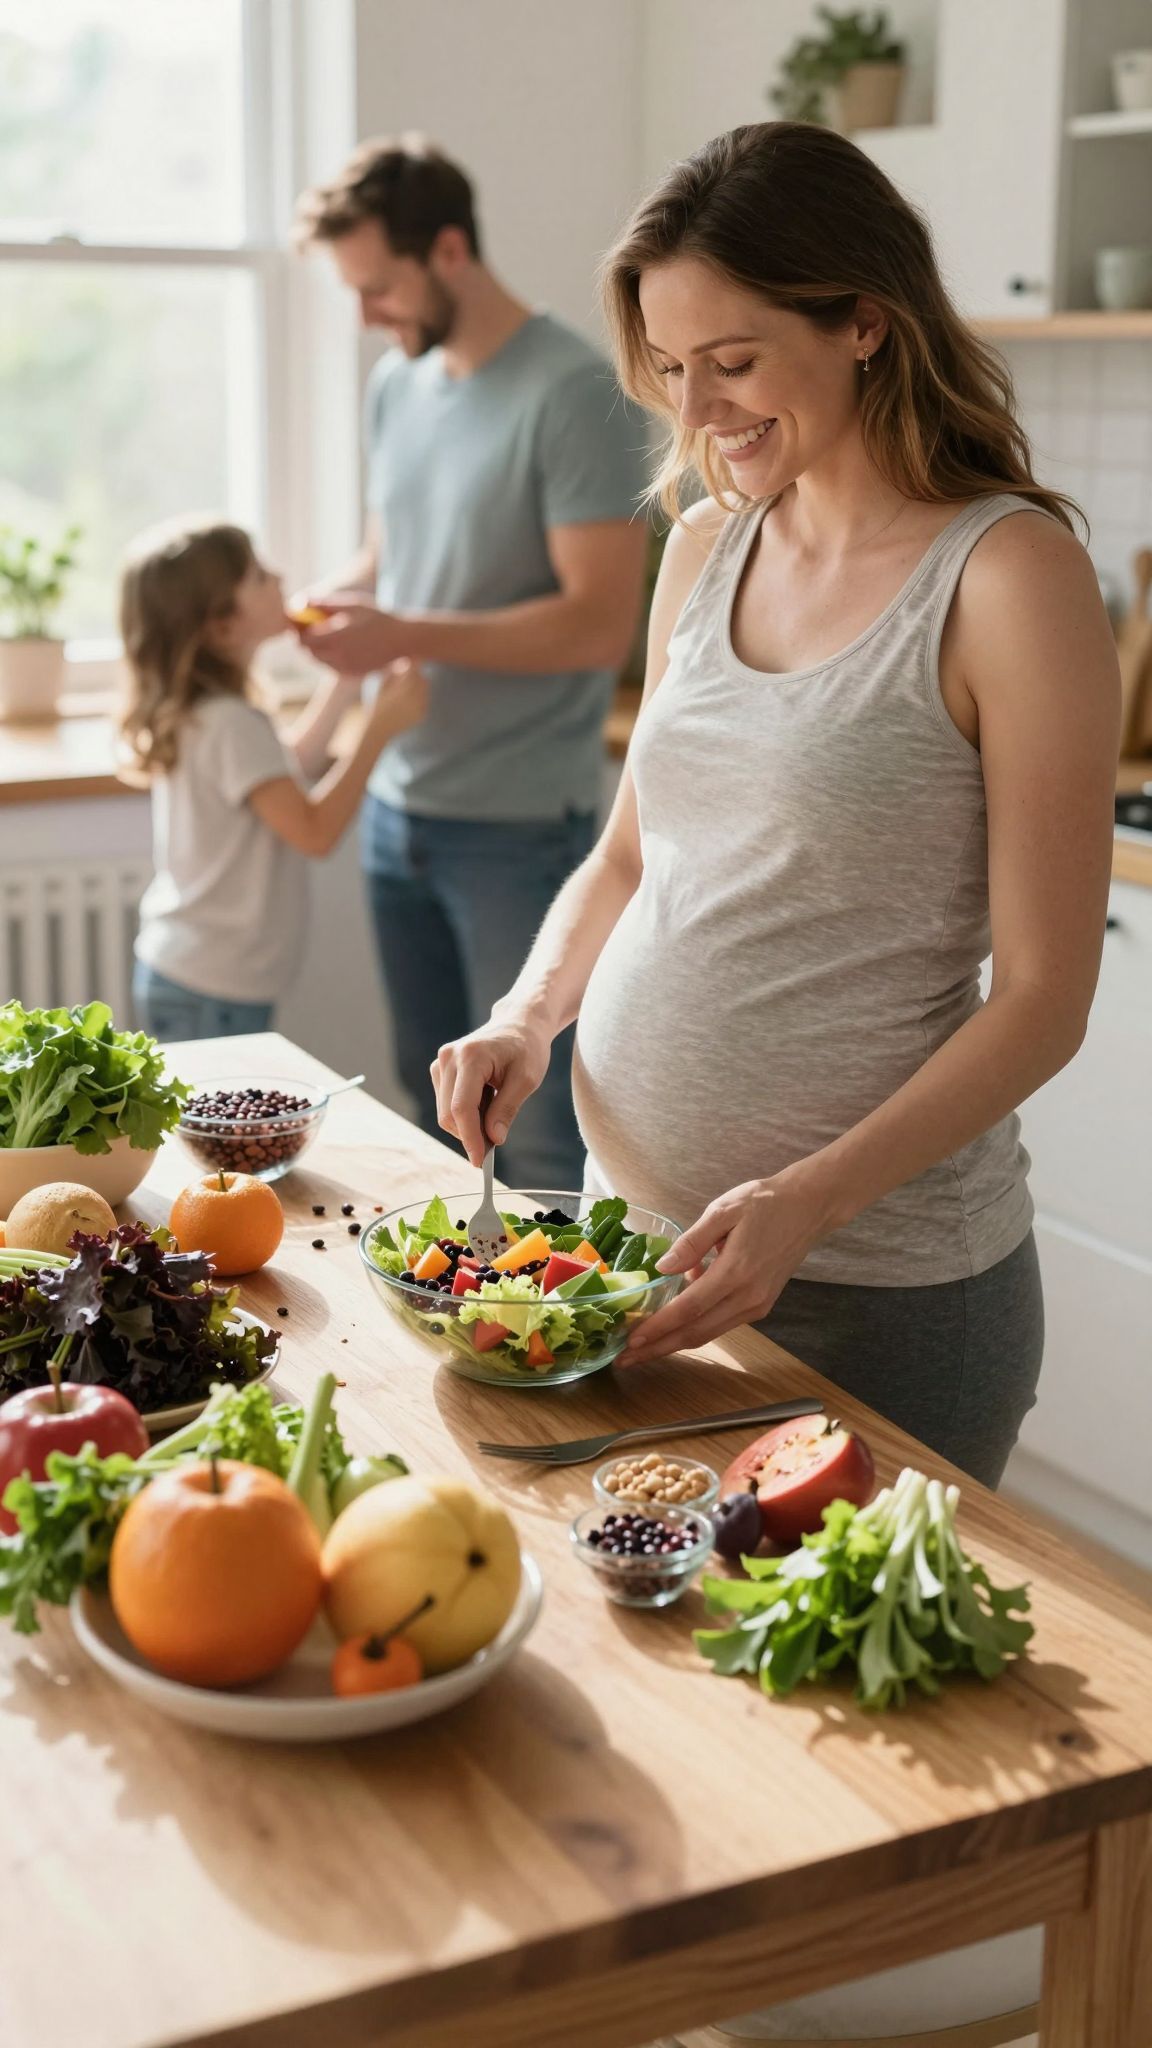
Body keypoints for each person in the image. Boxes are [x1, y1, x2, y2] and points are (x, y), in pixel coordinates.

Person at [430, 121, 1120, 1490]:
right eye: (674, 368)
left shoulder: (1007, 576)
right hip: (638, 1260)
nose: (696, 410)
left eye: (733, 362)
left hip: (875, 1295)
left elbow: (1046, 996)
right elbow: (632, 857)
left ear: (864, 323)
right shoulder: (705, 542)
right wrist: (526, 1013)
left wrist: (804, 1203)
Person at [292, 136, 649, 1190]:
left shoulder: (575, 391)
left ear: (449, 249)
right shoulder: (398, 389)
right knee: (426, 1090)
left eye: (377, 286)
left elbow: (596, 624)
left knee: (530, 1129)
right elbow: (389, 557)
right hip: (400, 808)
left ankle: (554, 1347)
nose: (366, 316)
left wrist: (403, 630)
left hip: (519, 830)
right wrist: (347, 610)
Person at [121, 517, 427, 1041]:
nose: (280, 577)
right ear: (222, 624)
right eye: (260, 576)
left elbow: (289, 767)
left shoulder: (213, 713)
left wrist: (346, 680)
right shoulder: (232, 724)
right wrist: (377, 731)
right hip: (210, 992)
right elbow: (314, 831)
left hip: (192, 977)